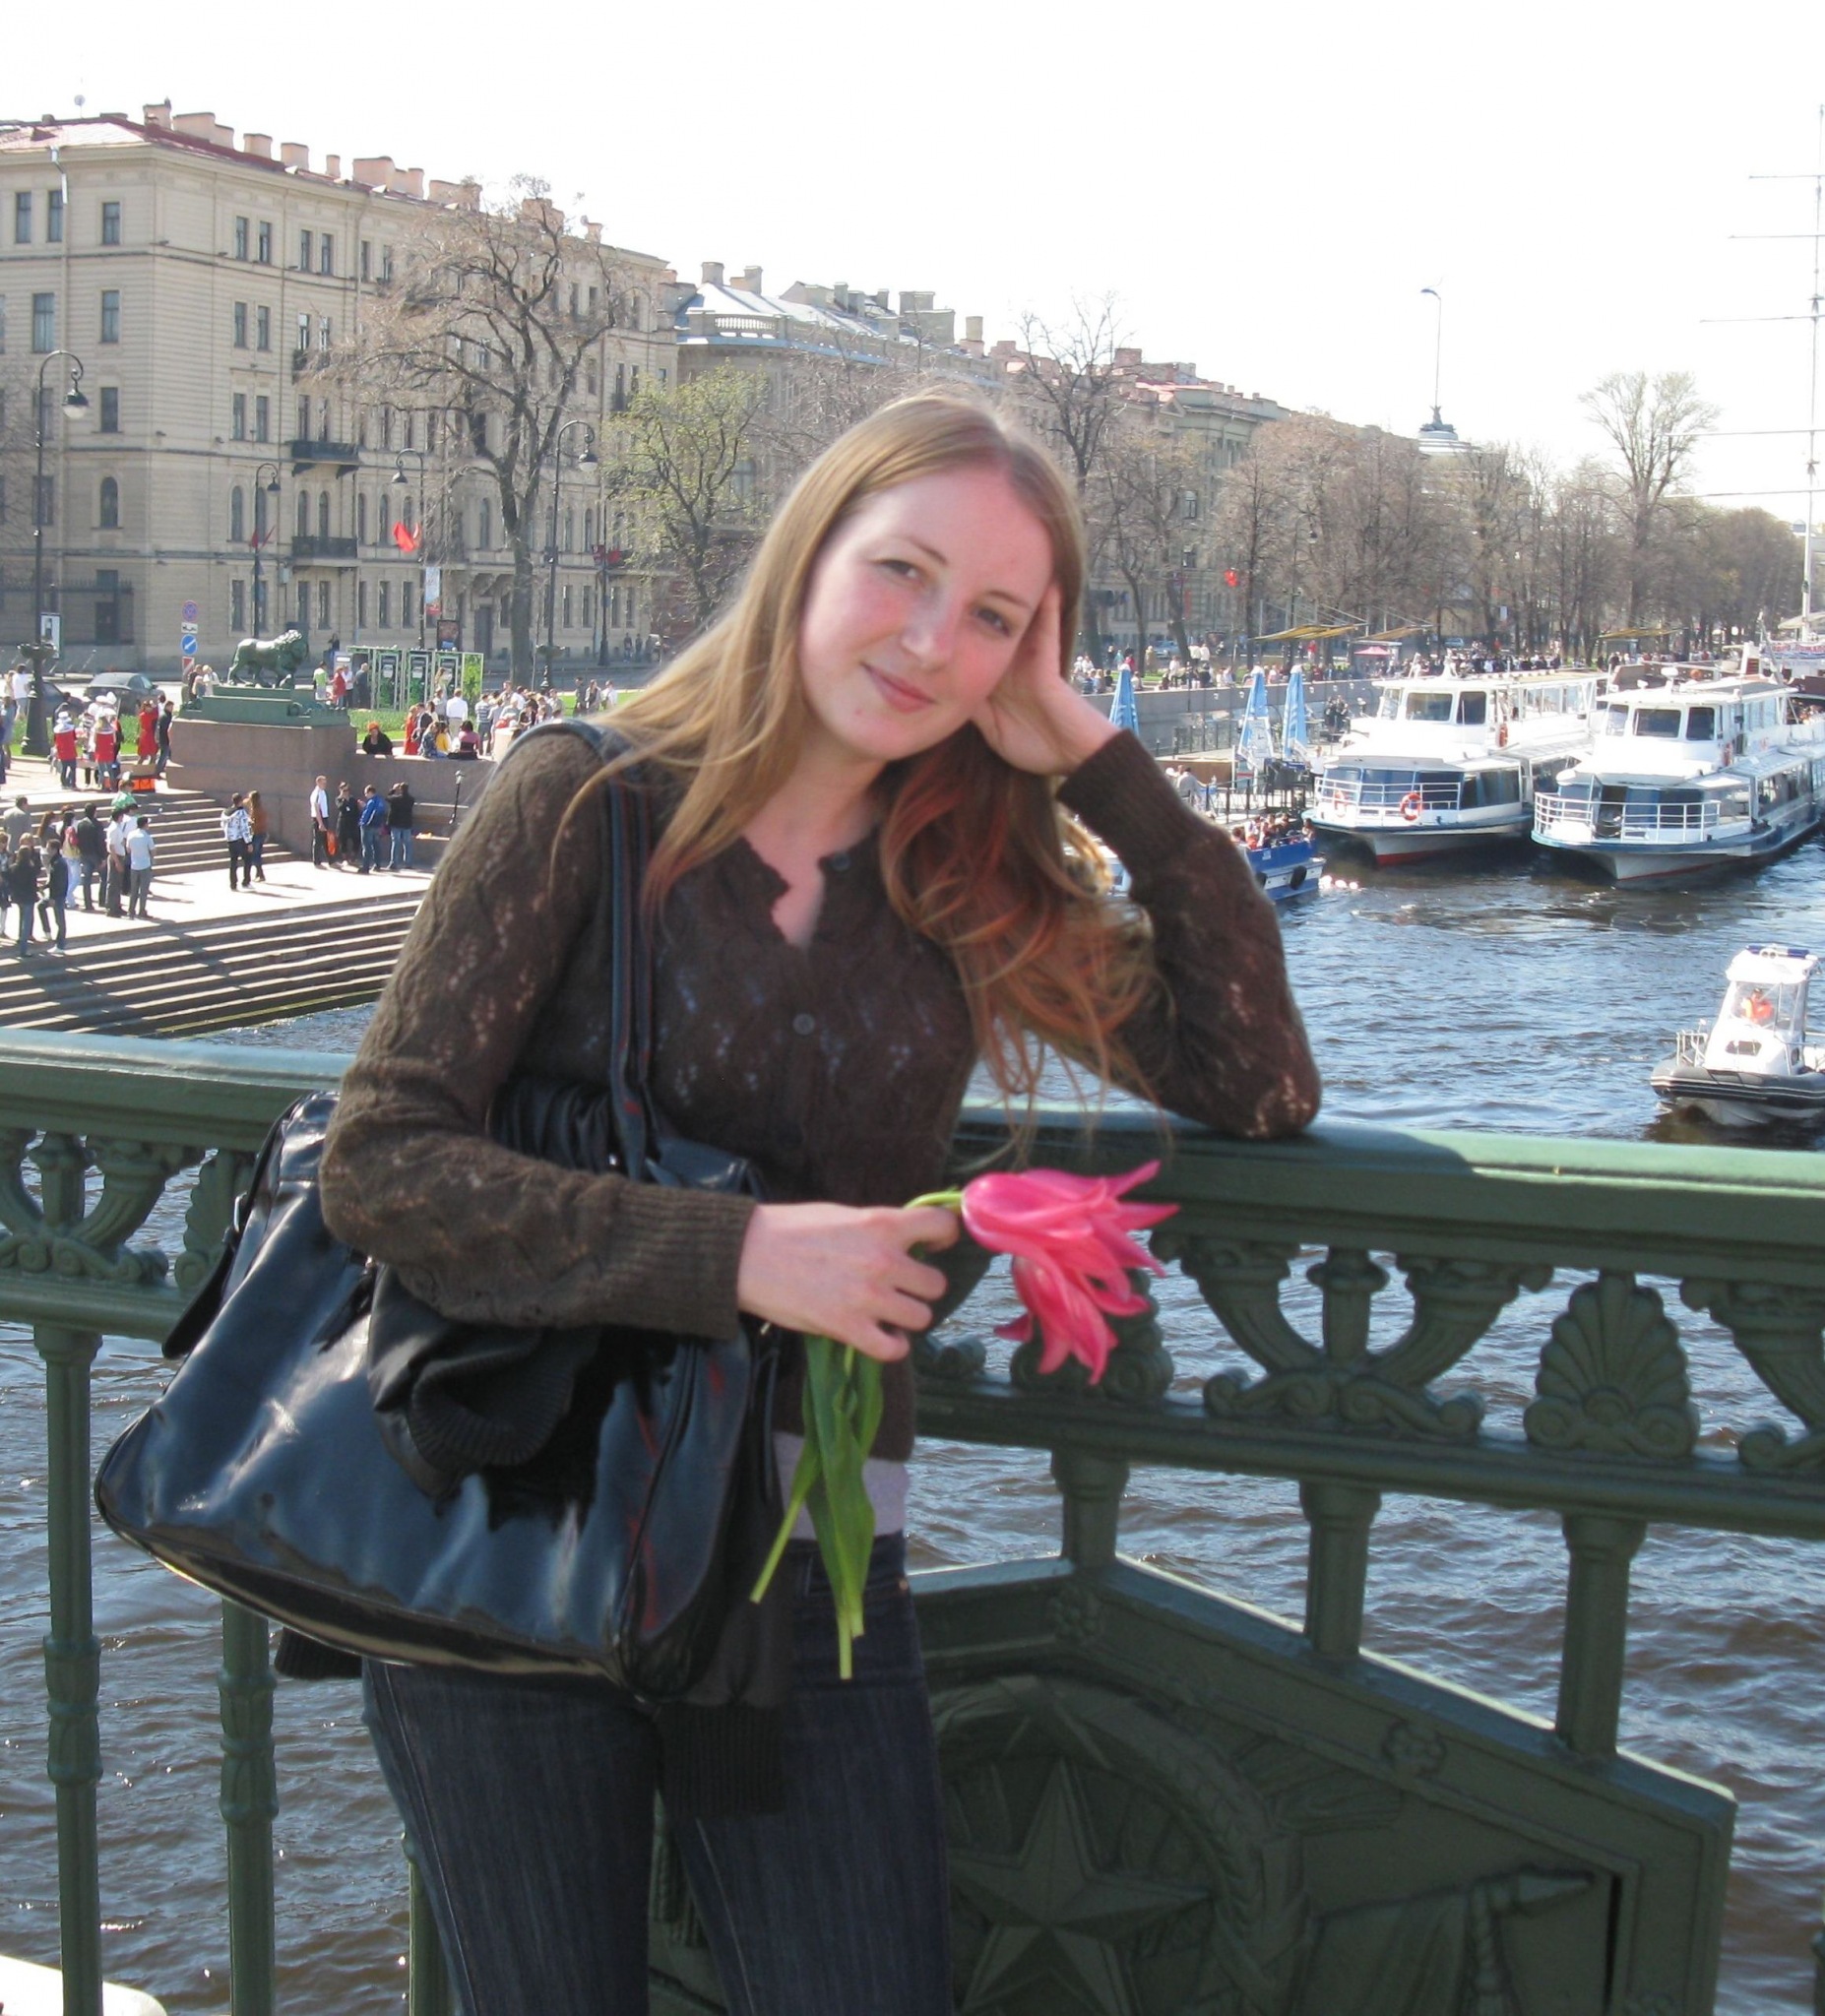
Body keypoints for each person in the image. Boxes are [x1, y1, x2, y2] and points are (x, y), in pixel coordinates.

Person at [317, 393, 1319, 2016]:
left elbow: (1255, 1082)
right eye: (900, 571)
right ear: (807, 554)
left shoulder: (965, 876)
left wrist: (1101, 767)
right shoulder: (586, 800)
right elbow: (380, 1158)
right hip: (515, 1520)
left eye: (990, 615)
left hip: (813, 1548)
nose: (928, 641)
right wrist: (740, 1255)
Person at [9, 839, 41, 953]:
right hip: (29, 897)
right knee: (27, 921)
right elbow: (33, 883)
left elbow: (9, 880)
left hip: (18, 896)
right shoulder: (30, 868)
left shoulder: (13, 867)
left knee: (22, 917)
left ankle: (20, 937)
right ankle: (24, 948)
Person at [38, 838, 72, 945]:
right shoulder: (54, 861)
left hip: (58, 896)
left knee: (60, 920)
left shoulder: (59, 863)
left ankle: (61, 944)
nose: (46, 849)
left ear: (54, 849)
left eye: (48, 848)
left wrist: (53, 897)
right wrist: (44, 887)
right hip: (56, 894)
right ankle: (47, 931)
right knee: (41, 906)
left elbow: (59, 883)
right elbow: (53, 880)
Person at [74, 804, 105, 911]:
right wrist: (103, 857)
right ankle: (102, 900)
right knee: (104, 877)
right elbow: (100, 842)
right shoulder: (97, 824)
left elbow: (78, 839)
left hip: (84, 854)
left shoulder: (80, 824)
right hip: (95, 854)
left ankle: (88, 904)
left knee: (87, 880)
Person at [221, 793, 253, 889]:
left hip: (230, 840)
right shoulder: (241, 813)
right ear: (240, 801)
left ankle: (233, 884)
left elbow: (223, 825)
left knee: (233, 862)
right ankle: (246, 881)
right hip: (240, 840)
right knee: (247, 860)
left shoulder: (225, 812)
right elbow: (244, 829)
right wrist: (249, 843)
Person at [126, 816, 156, 917]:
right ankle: (142, 910)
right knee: (143, 890)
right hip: (145, 865)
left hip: (134, 865)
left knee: (133, 889)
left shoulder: (131, 835)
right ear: (145, 824)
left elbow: (128, 849)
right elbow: (153, 851)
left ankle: (131, 910)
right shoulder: (147, 837)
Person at [357, 783, 389, 873]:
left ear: (370, 792)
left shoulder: (371, 802)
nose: (365, 795)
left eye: (366, 793)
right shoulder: (380, 801)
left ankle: (365, 866)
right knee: (376, 846)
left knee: (367, 847)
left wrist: (362, 823)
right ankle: (377, 865)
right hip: (377, 826)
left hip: (368, 827)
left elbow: (368, 814)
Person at [386, 780, 415, 869]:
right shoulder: (411, 799)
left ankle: (394, 863)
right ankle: (408, 863)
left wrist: (393, 789)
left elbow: (387, 798)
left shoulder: (396, 799)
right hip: (407, 824)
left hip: (396, 823)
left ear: (400, 789)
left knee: (396, 843)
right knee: (407, 844)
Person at [335, 782, 361, 868]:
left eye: (347, 790)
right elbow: (341, 808)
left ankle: (352, 858)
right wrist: (344, 799)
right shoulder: (338, 799)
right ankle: (345, 859)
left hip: (353, 822)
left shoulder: (353, 799)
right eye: (344, 790)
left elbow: (356, 811)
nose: (346, 792)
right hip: (343, 823)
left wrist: (358, 821)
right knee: (343, 841)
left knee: (357, 840)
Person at [246, 789, 271, 882]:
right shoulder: (259, 808)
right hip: (261, 833)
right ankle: (258, 874)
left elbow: (257, 823)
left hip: (257, 834)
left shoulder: (256, 811)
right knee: (257, 853)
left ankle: (261, 874)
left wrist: (250, 822)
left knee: (255, 855)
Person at [309, 776, 332, 868]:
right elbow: (316, 808)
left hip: (324, 817)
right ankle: (316, 862)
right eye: (323, 783)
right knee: (318, 841)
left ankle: (331, 860)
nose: (325, 784)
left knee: (326, 840)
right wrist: (320, 823)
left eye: (325, 783)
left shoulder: (323, 792)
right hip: (319, 818)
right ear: (318, 782)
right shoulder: (316, 793)